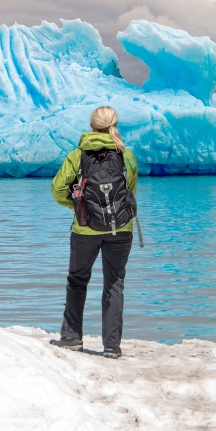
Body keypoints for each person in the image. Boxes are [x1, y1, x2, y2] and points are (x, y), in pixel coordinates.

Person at [49, 106, 138, 359]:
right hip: (120, 228)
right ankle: (111, 347)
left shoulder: (77, 155)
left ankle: (71, 338)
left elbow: (57, 189)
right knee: (114, 284)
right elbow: (130, 191)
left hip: (85, 228)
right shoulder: (126, 155)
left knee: (77, 281)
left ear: (92, 126)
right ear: (115, 125)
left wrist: (80, 207)